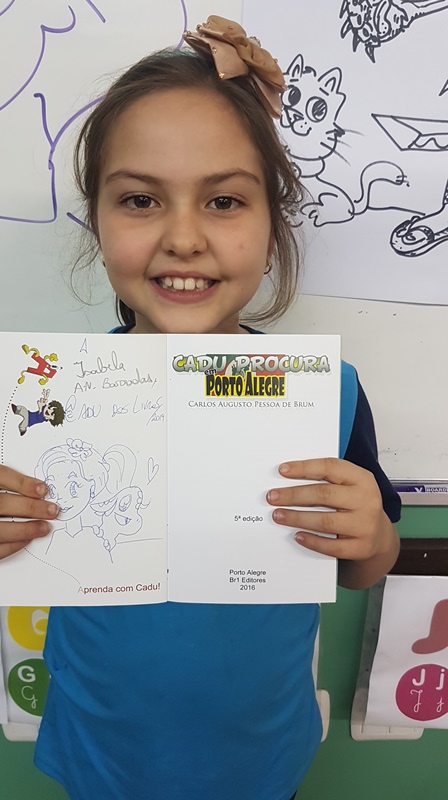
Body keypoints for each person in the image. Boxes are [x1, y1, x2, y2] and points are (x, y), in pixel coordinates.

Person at [0, 16, 401, 800]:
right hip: (100, 752)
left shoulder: (328, 393)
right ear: (97, 220)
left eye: (223, 200)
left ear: (271, 225)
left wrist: (372, 536)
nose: (183, 238)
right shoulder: (47, 401)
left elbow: (365, 564)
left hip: (262, 755)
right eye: (140, 199)